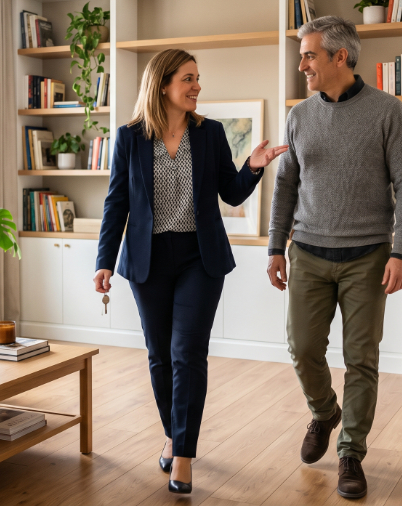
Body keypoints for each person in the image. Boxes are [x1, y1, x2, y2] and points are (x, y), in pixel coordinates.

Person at [94, 49, 287, 494]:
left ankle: (183, 456)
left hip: (201, 259)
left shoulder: (210, 134)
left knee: (187, 353)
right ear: (163, 84)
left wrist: (253, 168)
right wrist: (104, 261)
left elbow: (232, 193)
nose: (197, 86)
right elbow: (116, 203)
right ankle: (173, 433)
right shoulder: (129, 138)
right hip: (149, 259)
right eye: (188, 78)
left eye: (198, 78)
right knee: (160, 355)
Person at [267, 16, 402, 500]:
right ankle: (324, 412)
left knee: (361, 359)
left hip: (368, 257)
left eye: (309, 54)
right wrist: (276, 245)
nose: (302, 64)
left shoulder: (386, 111)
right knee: (302, 347)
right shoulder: (299, 116)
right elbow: (286, 185)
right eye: (302, 55)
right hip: (309, 252)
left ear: (341, 57)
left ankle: (350, 452)